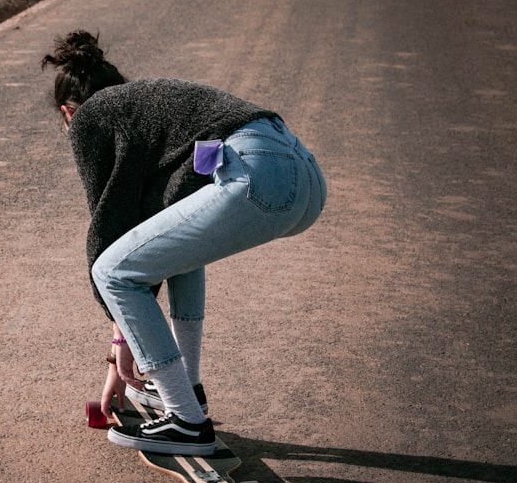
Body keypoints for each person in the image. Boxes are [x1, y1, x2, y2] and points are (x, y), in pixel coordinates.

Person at [43, 30, 326, 455]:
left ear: (68, 112)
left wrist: (121, 346)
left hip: (255, 173)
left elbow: (109, 231)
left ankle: (187, 423)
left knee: (110, 272)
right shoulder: (145, 110)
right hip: (305, 175)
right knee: (175, 244)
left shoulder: (90, 119)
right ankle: (185, 390)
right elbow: (160, 227)